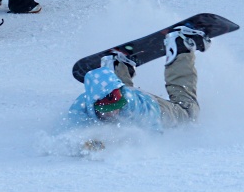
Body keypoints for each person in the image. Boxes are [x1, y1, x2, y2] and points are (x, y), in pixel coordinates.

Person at [67, 26, 211, 130]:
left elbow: (154, 132)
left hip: (154, 108)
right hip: (127, 94)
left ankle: (181, 46)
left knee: (188, 115)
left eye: (116, 107)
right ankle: (117, 65)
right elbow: (70, 134)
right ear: (94, 105)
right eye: (108, 110)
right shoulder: (80, 108)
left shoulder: (135, 107)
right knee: (117, 117)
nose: (113, 113)